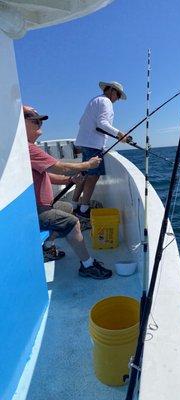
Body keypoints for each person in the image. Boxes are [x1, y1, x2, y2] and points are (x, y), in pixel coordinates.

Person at [24, 105, 112, 280]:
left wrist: (69, 181)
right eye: (35, 120)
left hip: (41, 207)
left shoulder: (27, 150)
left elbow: (45, 174)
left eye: (40, 120)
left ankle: (48, 247)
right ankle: (87, 266)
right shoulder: (29, 148)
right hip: (36, 212)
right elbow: (61, 167)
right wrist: (88, 165)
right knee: (72, 222)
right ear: (22, 123)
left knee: (66, 208)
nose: (40, 123)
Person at [72, 81, 127, 219]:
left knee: (83, 174)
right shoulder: (106, 102)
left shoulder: (95, 100)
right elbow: (102, 123)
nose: (117, 99)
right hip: (93, 145)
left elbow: (82, 122)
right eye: (118, 95)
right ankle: (83, 210)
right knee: (92, 176)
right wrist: (120, 135)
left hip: (84, 143)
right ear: (112, 91)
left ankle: (74, 205)